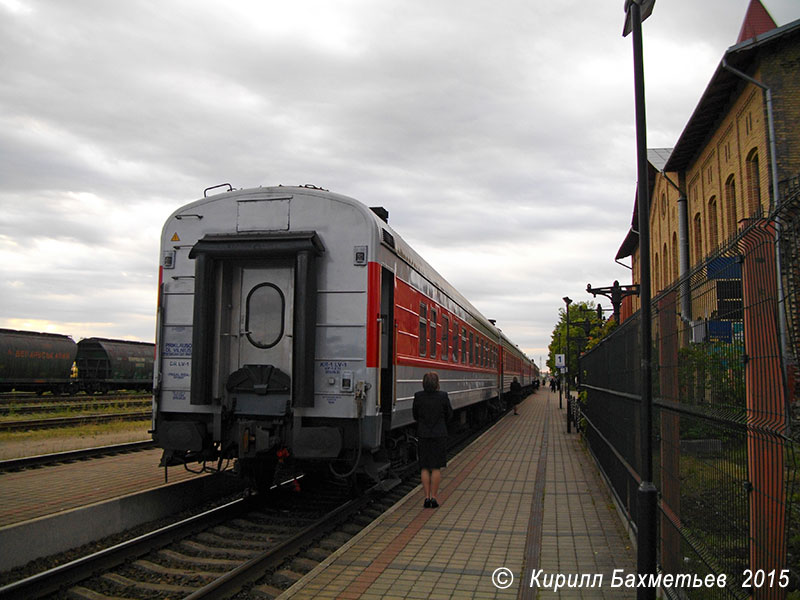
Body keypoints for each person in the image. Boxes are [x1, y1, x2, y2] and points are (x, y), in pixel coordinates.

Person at [412, 372, 453, 508]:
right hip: (439, 435)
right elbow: (449, 414)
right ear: (437, 383)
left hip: (423, 434)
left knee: (424, 467)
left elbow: (415, 415)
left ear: (423, 383)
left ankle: (426, 498)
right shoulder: (443, 396)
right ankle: (434, 498)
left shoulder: (418, 396)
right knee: (435, 467)